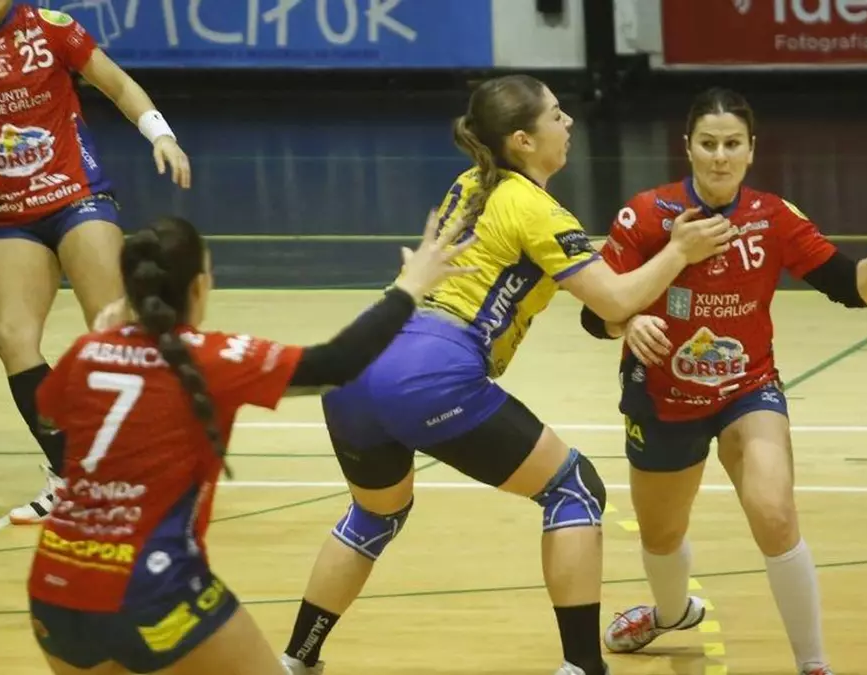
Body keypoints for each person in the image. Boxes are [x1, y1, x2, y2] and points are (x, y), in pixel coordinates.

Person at [277, 75, 736, 675]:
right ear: (523, 140)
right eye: (557, 115)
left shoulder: (472, 182)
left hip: (355, 362)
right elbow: (613, 297)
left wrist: (620, 303)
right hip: (429, 369)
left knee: (374, 514)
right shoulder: (537, 209)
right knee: (573, 488)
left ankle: (297, 659)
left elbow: (569, 276)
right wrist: (677, 252)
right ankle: (582, 666)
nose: (569, 123)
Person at [26, 211, 475, 675]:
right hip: (151, 590)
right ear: (200, 286)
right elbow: (335, 364)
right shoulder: (210, 357)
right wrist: (409, 289)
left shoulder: (86, 352)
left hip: (55, 586)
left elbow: (48, 415)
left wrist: (103, 340)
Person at [580, 87, 867, 675]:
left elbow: (856, 289)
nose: (720, 156)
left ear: (752, 150)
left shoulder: (772, 217)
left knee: (774, 513)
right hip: (661, 395)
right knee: (661, 535)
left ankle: (813, 664)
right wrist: (628, 322)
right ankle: (671, 613)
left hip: (747, 390)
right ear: (688, 147)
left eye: (732, 144)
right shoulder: (648, 215)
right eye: (708, 144)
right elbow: (594, 315)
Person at [0, 0, 191, 525]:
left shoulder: (50, 28)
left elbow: (117, 84)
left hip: (78, 198)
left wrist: (161, 134)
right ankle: (70, 474)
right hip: (12, 215)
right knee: (13, 339)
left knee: (113, 328)